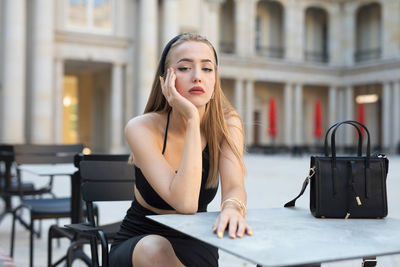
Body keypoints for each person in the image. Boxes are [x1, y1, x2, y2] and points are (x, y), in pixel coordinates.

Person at [109, 33, 252, 267]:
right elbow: (185, 204)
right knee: (156, 250)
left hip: (195, 240)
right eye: (185, 68)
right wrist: (192, 120)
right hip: (141, 242)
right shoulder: (141, 127)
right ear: (166, 79)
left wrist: (233, 208)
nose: (197, 77)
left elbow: (235, 186)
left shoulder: (228, 124)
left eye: (207, 69)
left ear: (215, 79)